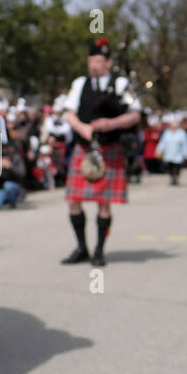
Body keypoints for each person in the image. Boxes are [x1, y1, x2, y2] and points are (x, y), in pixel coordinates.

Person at [60, 38, 142, 267]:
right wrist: (82, 128)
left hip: (109, 148)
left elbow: (135, 115)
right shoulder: (80, 83)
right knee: (73, 201)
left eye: (97, 60)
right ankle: (82, 248)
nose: (93, 65)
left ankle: (99, 250)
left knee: (103, 203)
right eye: (90, 61)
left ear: (109, 62)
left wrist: (112, 124)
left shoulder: (121, 83)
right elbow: (69, 114)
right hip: (84, 148)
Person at [160, 119, 187, 185]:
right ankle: (171, 177)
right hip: (169, 153)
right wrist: (159, 150)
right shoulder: (167, 132)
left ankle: (176, 177)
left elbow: (185, 144)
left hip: (178, 153)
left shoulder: (182, 133)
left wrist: (186, 154)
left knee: (177, 167)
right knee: (170, 167)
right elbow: (162, 142)